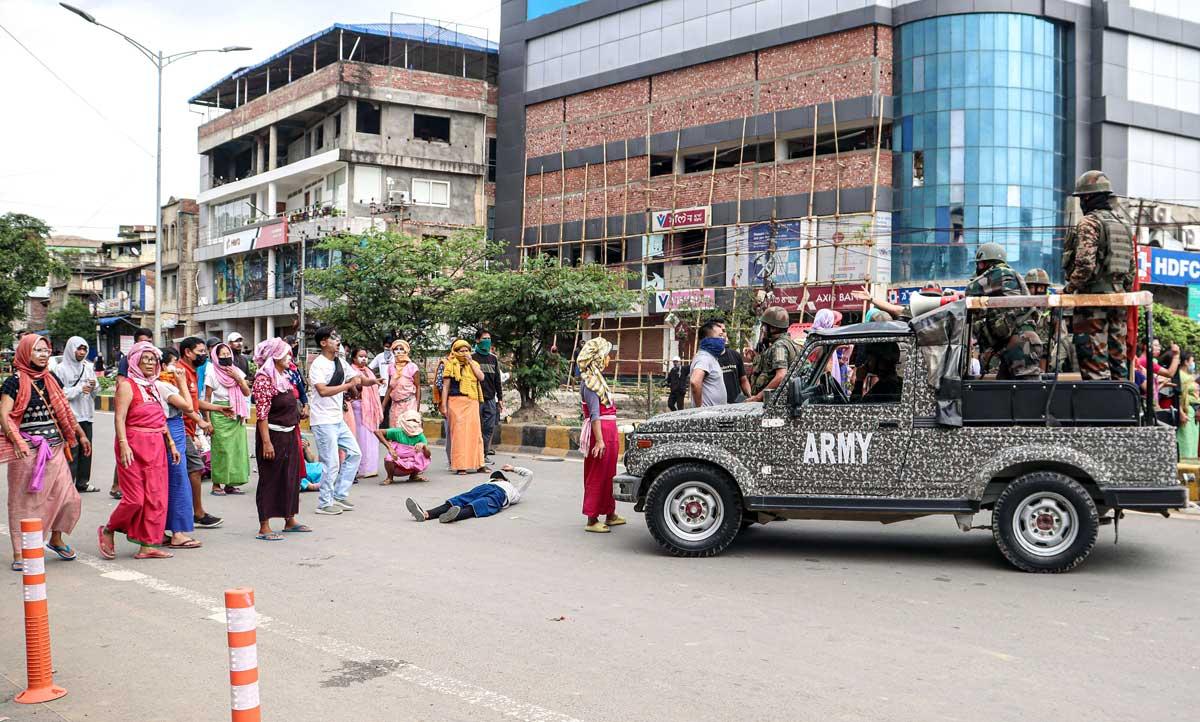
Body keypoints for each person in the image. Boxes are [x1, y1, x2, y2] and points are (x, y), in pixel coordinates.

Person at [1, 334, 89, 571]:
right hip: (27, 451)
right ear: (25, 352)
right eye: (38, 350)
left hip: (55, 448)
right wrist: (17, 442)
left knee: (69, 498)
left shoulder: (51, 379)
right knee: (24, 503)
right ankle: (20, 551)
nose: (43, 354)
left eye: (46, 350)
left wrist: (80, 434)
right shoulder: (14, 382)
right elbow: (5, 415)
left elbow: (65, 411)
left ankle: (56, 539)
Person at [99, 342, 179, 561]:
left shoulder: (154, 386)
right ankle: (109, 529)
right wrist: (123, 443)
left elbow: (160, 419)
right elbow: (119, 417)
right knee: (135, 499)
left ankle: (147, 546)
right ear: (134, 361)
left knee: (156, 497)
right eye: (145, 359)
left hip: (156, 445)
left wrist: (170, 443)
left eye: (153, 359)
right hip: (133, 445)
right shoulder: (127, 385)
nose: (150, 363)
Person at [1062, 170, 1135, 380]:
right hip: (1118, 301)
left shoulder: (1089, 223)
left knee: (1094, 361)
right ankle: (1121, 407)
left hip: (1092, 303)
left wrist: (1069, 289)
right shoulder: (1123, 224)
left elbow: (1085, 264)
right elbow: (1130, 269)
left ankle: (1101, 409)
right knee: (1117, 360)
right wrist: (1121, 292)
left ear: (1086, 198)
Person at [252, 338, 311, 540]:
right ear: (275, 356)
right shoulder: (263, 379)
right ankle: (264, 526)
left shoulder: (284, 376)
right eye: (286, 354)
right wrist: (267, 442)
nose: (290, 357)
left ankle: (289, 519)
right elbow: (262, 415)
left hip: (289, 434)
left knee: (291, 478)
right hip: (273, 436)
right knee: (270, 479)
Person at [966, 243, 1042, 380]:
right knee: (1004, 392)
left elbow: (971, 289)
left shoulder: (1001, 273)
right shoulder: (1005, 279)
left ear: (985, 263)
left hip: (1022, 343)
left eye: (980, 264)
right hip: (1014, 344)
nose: (978, 268)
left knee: (1029, 392)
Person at [308, 326, 362, 515]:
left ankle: (339, 494)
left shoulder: (340, 361)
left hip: (337, 419)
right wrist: (348, 385)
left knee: (355, 453)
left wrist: (365, 382)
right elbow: (322, 391)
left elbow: (356, 377)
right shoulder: (318, 365)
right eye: (333, 338)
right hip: (323, 421)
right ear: (323, 343)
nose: (338, 341)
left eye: (338, 337)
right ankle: (324, 503)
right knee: (331, 463)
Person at [157, 349, 208, 550]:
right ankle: (177, 532)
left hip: (174, 429)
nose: (176, 367)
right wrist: (180, 382)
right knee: (177, 481)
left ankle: (162, 530)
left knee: (168, 481)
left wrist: (200, 421)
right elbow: (187, 405)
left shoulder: (159, 385)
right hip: (172, 430)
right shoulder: (162, 385)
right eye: (172, 363)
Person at [576, 337, 625, 533]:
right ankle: (592, 518)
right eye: (605, 356)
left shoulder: (598, 380)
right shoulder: (590, 383)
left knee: (609, 474)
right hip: (600, 434)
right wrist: (601, 441)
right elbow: (595, 414)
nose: (608, 359)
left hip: (609, 431)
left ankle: (610, 513)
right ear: (597, 358)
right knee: (597, 475)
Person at [176, 338, 222, 528]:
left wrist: (218, 408)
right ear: (188, 352)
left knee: (189, 470)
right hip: (179, 429)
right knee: (194, 468)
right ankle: (197, 512)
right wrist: (202, 422)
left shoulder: (192, 372)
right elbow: (183, 405)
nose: (204, 355)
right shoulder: (179, 372)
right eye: (200, 351)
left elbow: (195, 403)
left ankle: (191, 511)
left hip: (188, 428)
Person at [111, 327, 154, 499]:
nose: (146, 345)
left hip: (148, 412)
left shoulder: (152, 360)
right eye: (142, 342)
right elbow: (121, 382)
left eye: (149, 342)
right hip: (131, 408)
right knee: (126, 450)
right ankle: (117, 485)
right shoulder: (127, 360)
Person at [405, 465, 533, 523]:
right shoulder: (489, 482)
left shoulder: (514, 491)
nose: (499, 479)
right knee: (456, 500)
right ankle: (426, 514)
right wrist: (492, 482)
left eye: (500, 478)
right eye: (496, 478)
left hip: (499, 494)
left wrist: (513, 469)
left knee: (477, 505)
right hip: (483, 488)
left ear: (505, 480)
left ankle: (452, 516)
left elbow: (529, 474)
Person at [205, 342, 252, 495]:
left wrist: (238, 377)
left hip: (236, 414)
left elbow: (246, 393)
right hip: (219, 414)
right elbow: (206, 399)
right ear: (215, 357)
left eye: (228, 354)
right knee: (221, 450)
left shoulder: (236, 371)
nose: (226, 357)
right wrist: (208, 422)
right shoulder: (211, 373)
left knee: (237, 450)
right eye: (222, 355)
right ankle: (216, 485)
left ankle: (231, 484)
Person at [55, 336, 99, 493]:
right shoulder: (60, 369)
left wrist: (94, 386)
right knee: (72, 451)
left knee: (87, 450)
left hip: (87, 414)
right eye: (79, 349)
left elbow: (96, 389)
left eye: (84, 349)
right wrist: (79, 389)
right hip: (70, 416)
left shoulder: (87, 367)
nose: (82, 352)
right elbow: (58, 394)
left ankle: (83, 482)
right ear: (70, 349)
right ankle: (67, 484)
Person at [441, 339, 487, 475]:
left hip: (471, 401)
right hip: (455, 402)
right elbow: (445, 387)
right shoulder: (450, 365)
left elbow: (481, 377)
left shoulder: (474, 364)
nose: (465, 353)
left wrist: (471, 362)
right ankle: (461, 466)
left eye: (467, 350)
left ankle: (479, 464)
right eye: (461, 351)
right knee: (459, 435)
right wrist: (443, 405)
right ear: (455, 352)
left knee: (475, 434)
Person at [348, 347, 385, 479]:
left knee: (372, 438)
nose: (364, 359)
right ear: (353, 358)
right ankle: (361, 469)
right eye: (360, 356)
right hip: (358, 407)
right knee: (361, 438)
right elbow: (355, 388)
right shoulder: (351, 371)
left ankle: (371, 468)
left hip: (371, 409)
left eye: (365, 356)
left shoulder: (369, 371)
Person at [748, 307, 798, 402]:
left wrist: (758, 397)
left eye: (764, 326)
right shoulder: (786, 343)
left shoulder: (779, 346)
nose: (762, 329)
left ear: (773, 328)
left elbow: (781, 375)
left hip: (773, 403)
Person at [374, 410, 432, 484]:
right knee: (388, 458)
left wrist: (423, 446)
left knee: (423, 455)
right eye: (410, 420)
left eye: (415, 420)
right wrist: (390, 448)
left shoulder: (420, 435)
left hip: (412, 460)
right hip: (398, 459)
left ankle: (414, 476)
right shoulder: (397, 432)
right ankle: (389, 478)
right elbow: (377, 432)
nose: (412, 422)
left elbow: (428, 455)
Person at [473, 330, 504, 457]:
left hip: (491, 398)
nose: (487, 341)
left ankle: (484, 454)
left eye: (489, 338)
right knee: (476, 428)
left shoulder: (493, 359)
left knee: (489, 427)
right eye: (484, 338)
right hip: (475, 398)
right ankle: (475, 455)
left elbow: (497, 379)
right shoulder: (472, 358)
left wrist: (500, 398)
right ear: (477, 340)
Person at [690, 321, 728, 407]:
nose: (723, 339)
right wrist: (700, 408)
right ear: (708, 339)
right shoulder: (704, 358)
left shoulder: (711, 357)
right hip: (707, 416)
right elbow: (695, 382)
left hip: (714, 414)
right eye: (720, 336)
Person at [713, 322, 751, 404]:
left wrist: (750, 398)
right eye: (719, 331)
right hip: (716, 407)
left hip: (737, 404)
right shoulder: (707, 358)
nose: (722, 333)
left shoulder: (735, 355)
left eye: (724, 330)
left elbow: (743, 380)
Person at [386, 339, 421, 427]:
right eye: (396, 349)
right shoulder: (391, 367)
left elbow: (418, 387)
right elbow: (389, 387)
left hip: (409, 404)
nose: (399, 352)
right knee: (395, 430)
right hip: (395, 404)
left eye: (401, 349)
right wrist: (382, 406)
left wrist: (417, 407)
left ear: (406, 350)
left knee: (409, 429)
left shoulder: (412, 367)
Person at [1177, 351, 1199, 459]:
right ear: (1186, 362)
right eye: (1192, 361)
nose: (1193, 363)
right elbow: (1178, 396)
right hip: (1186, 410)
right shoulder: (1179, 375)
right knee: (1186, 439)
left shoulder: (1189, 376)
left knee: (1193, 440)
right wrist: (1181, 412)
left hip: (1194, 412)